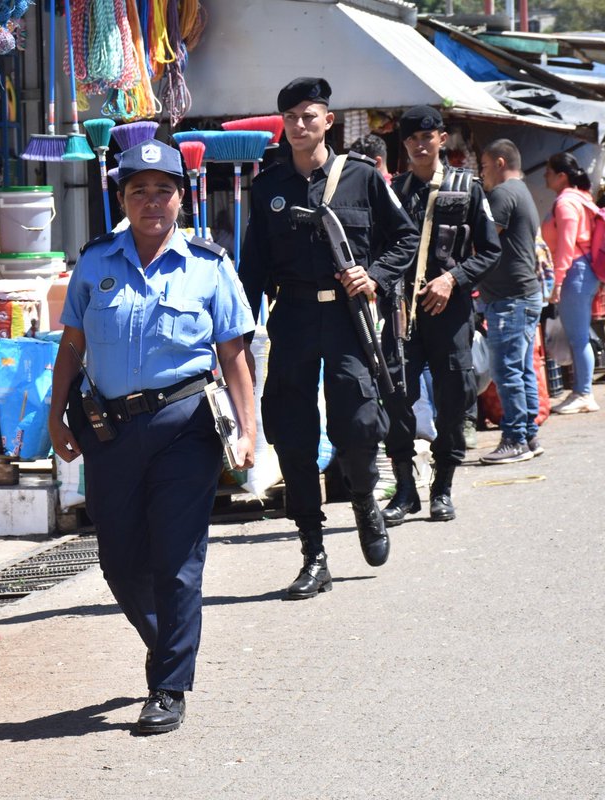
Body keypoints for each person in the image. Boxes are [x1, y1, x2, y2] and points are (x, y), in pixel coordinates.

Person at [48, 138, 256, 735]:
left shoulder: (209, 266)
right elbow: (71, 346)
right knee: (118, 558)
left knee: (178, 558)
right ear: (122, 197)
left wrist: (249, 432)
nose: (151, 201)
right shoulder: (95, 262)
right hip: (109, 430)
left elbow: (234, 353)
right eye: (138, 190)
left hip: (184, 426)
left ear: (181, 198)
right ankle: (169, 644)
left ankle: (168, 685)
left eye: (163, 190)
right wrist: (55, 414)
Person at [240, 77, 418, 601]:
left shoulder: (361, 178)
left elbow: (405, 237)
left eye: (308, 116)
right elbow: (253, 266)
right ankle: (313, 554)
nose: (299, 125)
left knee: (358, 422)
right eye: (291, 117)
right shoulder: (268, 187)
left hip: (347, 320)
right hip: (291, 316)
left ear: (327, 121)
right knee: (292, 435)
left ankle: (365, 502)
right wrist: (238, 338)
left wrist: (376, 276)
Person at [380, 106, 501, 525]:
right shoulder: (393, 191)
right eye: (411, 137)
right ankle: (405, 489)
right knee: (396, 398)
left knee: (453, 400)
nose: (418, 143)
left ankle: (442, 487)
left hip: (449, 313)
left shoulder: (466, 187)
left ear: (441, 139)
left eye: (426, 135)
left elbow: (490, 250)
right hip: (401, 315)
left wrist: (453, 279)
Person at [477, 139, 545, 463]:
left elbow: (486, 242)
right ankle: (528, 436)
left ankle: (515, 438)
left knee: (507, 371)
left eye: (484, 166)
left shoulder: (503, 194)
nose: (482, 174)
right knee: (520, 368)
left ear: (500, 162)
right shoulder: (522, 190)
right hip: (523, 294)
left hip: (511, 298)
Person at [542, 152, 601, 414]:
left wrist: (557, 280)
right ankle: (580, 391)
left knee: (578, 337)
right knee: (580, 335)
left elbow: (566, 245)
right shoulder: (582, 198)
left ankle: (584, 394)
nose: (545, 176)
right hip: (584, 271)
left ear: (561, 175)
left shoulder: (566, 203)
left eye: (548, 171)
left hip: (575, 271)